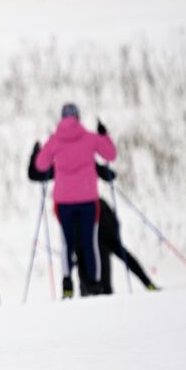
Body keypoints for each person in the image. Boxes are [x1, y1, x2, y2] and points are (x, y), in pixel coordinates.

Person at [27, 148, 158, 295]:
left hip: (85, 219)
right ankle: (147, 284)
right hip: (100, 213)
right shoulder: (86, 161)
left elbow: (35, 174)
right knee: (114, 252)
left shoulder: (61, 166)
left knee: (88, 257)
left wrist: (36, 154)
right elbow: (109, 175)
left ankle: (90, 293)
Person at [33, 104, 117, 297]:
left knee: (66, 243)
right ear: (78, 117)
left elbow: (41, 164)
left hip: (63, 201)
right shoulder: (89, 137)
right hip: (88, 198)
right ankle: (94, 283)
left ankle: (67, 282)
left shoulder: (55, 140)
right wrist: (104, 135)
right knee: (90, 242)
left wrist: (40, 150)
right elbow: (110, 154)